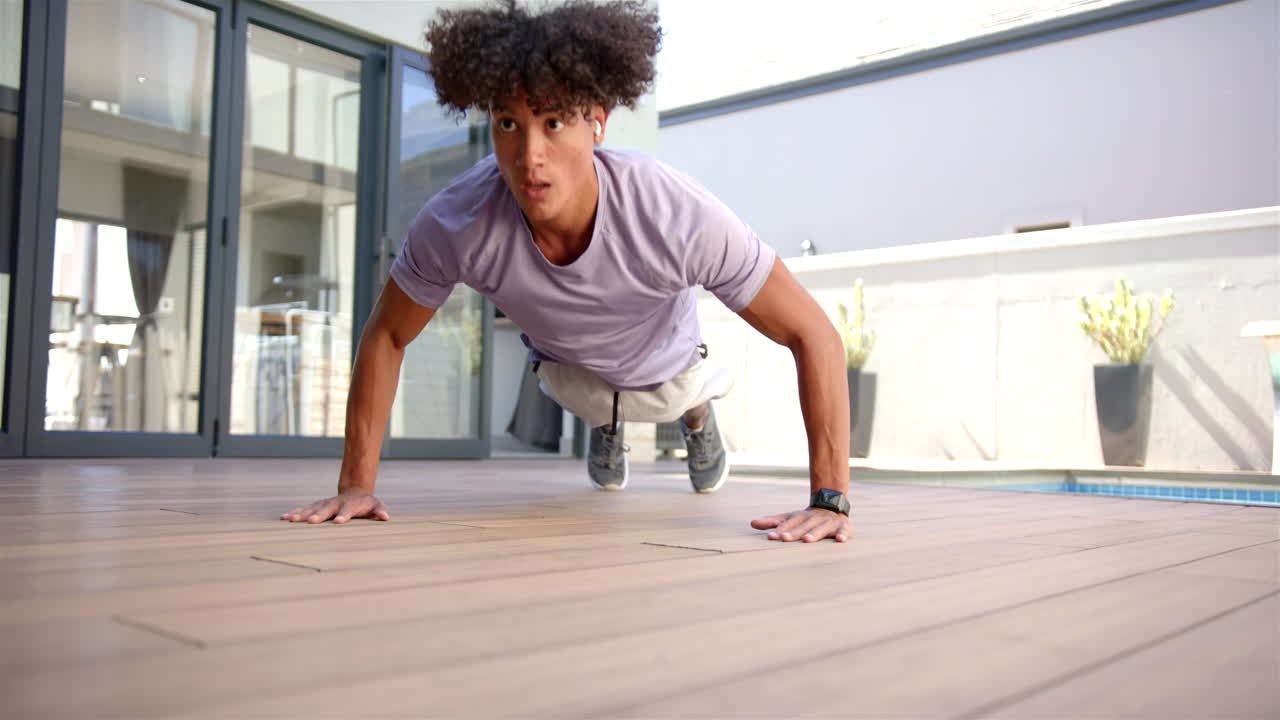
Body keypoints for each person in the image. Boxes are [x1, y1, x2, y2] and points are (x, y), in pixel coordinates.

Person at [281, 0, 852, 543]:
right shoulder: (458, 221)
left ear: (598, 123)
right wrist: (356, 485)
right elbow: (386, 334)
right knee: (582, 392)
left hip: (666, 366)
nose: (530, 156)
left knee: (671, 394)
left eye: (554, 123)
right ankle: (608, 426)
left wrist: (829, 500)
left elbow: (814, 334)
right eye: (509, 124)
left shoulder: (676, 214)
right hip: (569, 372)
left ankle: (698, 418)